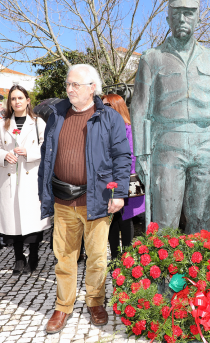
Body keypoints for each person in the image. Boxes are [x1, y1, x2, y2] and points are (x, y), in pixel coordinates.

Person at [131, 0, 210, 233]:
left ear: (198, 18)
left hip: (206, 142)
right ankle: (165, 270)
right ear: (168, 18)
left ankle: (197, 269)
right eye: (177, 13)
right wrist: (141, 154)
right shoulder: (152, 58)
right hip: (167, 143)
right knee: (165, 220)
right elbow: (139, 108)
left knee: (201, 218)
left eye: (189, 13)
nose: (183, 19)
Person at [39, 64, 131, 334]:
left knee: (98, 258)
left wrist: (119, 193)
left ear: (92, 88)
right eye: (68, 84)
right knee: (64, 257)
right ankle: (63, 306)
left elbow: (122, 158)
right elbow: (47, 155)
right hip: (63, 200)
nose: (69, 89)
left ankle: (95, 302)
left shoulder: (109, 119)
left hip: (97, 200)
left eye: (75, 85)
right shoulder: (56, 116)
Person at [0, 85, 50, 274]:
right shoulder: (3, 123)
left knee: (31, 221)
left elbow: (47, 148)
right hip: (9, 178)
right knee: (12, 220)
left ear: (28, 100)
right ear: (10, 102)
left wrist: (29, 152)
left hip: (30, 177)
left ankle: (34, 256)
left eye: (20, 98)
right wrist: (4, 155)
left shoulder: (37, 122)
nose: (17, 102)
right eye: (13, 99)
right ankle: (19, 258)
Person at [102, 93, 145, 258]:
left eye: (107, 106)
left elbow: (133, 157)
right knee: (112, 220)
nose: (103, 109)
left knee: (125, 220)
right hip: (108, 181)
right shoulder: (105, 129)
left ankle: (126, 258)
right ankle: (114, 258)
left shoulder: (128, 129)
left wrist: (121, 178)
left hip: (124, 181)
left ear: (116, 107)